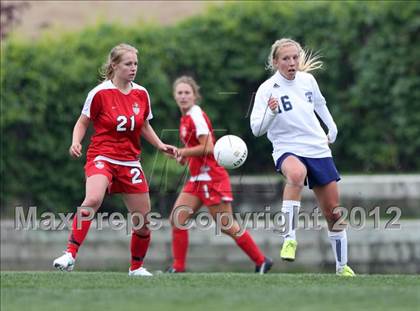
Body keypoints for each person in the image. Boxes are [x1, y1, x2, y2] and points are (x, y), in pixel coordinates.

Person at [53, 43, 176, 276]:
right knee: (93, 199)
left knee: (142, 222)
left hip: (130, 161)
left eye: (136, 64)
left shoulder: (142, 93)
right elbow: (82, 122)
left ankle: (136, 268)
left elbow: (144, 125)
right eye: (128, 64)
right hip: (102, 155)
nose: (133, 68)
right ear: (114, 65)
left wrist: (160, 145)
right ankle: (69, 254)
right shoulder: (99, 93)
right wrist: (75, 141)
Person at [250, 38, 355, 276]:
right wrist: (272, 113)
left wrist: (332, 126)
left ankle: (342, 266)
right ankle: (289, 238)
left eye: (295, 57)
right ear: (275, 62)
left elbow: (320, 103)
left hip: (317, 147)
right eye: (286, 58)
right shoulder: (268, 89)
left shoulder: (308, 80)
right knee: (296, 174)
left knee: (333, 212)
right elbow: (257, 129)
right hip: (287, 147)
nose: (292, 62)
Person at [167, 76, 272, 273]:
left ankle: (261, 260)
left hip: (211, 178)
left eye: (187, 93)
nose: (183, 96)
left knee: (225, 225)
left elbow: (208, 147)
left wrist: (183, 152)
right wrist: (184, 156)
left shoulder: (196, 115)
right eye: (179, 93)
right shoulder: (185, 118)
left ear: (195, 95)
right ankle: (177, 268)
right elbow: (195, 148)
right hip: (197, 179)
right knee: (177, 219)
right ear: (174, 96)